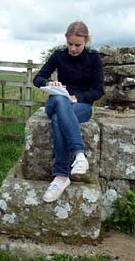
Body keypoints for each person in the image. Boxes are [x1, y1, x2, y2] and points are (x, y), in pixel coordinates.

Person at [33, 21, 104, 202]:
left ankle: (61, 177)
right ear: (66, 40)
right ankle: (79, 154)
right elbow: (38, 78)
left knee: (58, 119)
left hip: (81, 106)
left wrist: (77, 98)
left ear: (86, 41)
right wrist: (50, 83)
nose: (73, 48)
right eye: (70, 44)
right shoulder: (58, 55)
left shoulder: (94, 59)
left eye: (77, 45)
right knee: (59, 99)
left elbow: (98, 91)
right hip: (55, 101)